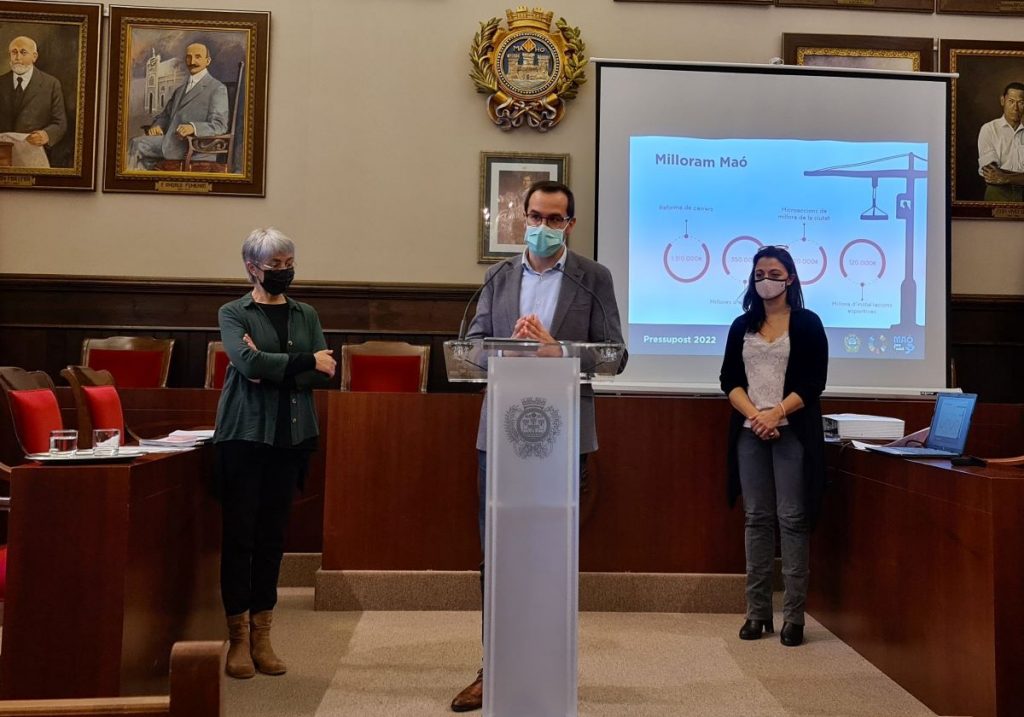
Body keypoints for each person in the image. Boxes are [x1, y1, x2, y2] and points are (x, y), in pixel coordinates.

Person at [450, 180, 626, 712]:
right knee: (496, 552)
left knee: (552, 551)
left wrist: (558, 352)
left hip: (563, 435)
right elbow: (472, 347)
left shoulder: (593, 278)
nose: (543, 228)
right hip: (500, 436)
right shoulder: (499, 276)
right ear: (520, 218)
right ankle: (492, 665)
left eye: (555, 219)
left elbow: (616, 354)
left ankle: (551, 664)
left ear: (570, 224)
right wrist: (510, 349)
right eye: (535, 217)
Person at [212, 227, 336, 679]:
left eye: (288, 264)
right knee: (240, 538)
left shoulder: (306, 314)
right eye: (274, 266)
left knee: (271, 540)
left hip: (292, 437)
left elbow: (326, 373)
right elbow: (246, 365)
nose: (284, 272)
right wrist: (304, 362)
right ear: (252, 268)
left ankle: (264, 635)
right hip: (243, 436)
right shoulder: (233, 312)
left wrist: (274, 367)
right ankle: (238, 640)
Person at [719, 245, 828, 649]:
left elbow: (814, 382)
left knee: (792, 519)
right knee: (757, 519)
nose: (766, 279)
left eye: (774, 273)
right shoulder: (741, 325)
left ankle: (795, 617)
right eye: (760, 273)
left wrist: (776, 412)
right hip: (750, 432)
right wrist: (755, 415)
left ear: (791, 278)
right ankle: (757, 613)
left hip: (792, 430)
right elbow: (729, 379)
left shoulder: (807, 323)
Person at [126, 42, 229, 170]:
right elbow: (165, 115)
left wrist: (193, 127)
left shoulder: (217, 88)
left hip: (195, 148)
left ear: (207, 61)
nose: (192, 61)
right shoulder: (180, 90)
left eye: (198, 57)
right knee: (136, 146)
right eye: (189, 57)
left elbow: (220, 125)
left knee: (136, 145)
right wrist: (158, 126)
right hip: (171, 143)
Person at [0, 36, 68, 167]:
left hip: (34, 155)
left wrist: (46, 135)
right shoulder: (1, 82)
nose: (17, 57)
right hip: (3, 157)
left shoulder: (51, 84)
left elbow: (60, 123)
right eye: (14, 52)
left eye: (23, 52)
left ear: (34, 56)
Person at [978, 82, 1024, 202]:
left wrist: (1005, 177)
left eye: (1021, 103)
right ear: (1003, 100)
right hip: (997, 192)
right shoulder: (989, 129)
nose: (1016, 107)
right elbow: (991, 173)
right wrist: (1019, 177)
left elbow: (999, 176)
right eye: (1011, 101)